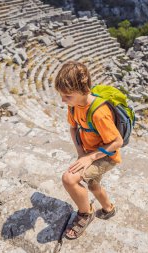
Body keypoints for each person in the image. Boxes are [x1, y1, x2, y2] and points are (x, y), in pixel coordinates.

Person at [54, 61, 123, 240]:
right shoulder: (74, 105)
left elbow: (117, 142)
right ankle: (109, 209)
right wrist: (80, 153)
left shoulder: (99, 112)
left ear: (83, 90)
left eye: (67, 95)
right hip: (89, 153)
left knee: (69, 179)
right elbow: (73, 128)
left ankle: (86, 214)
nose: (63, 100)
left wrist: (90, 157)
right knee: (93, 184)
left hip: (106, 156)